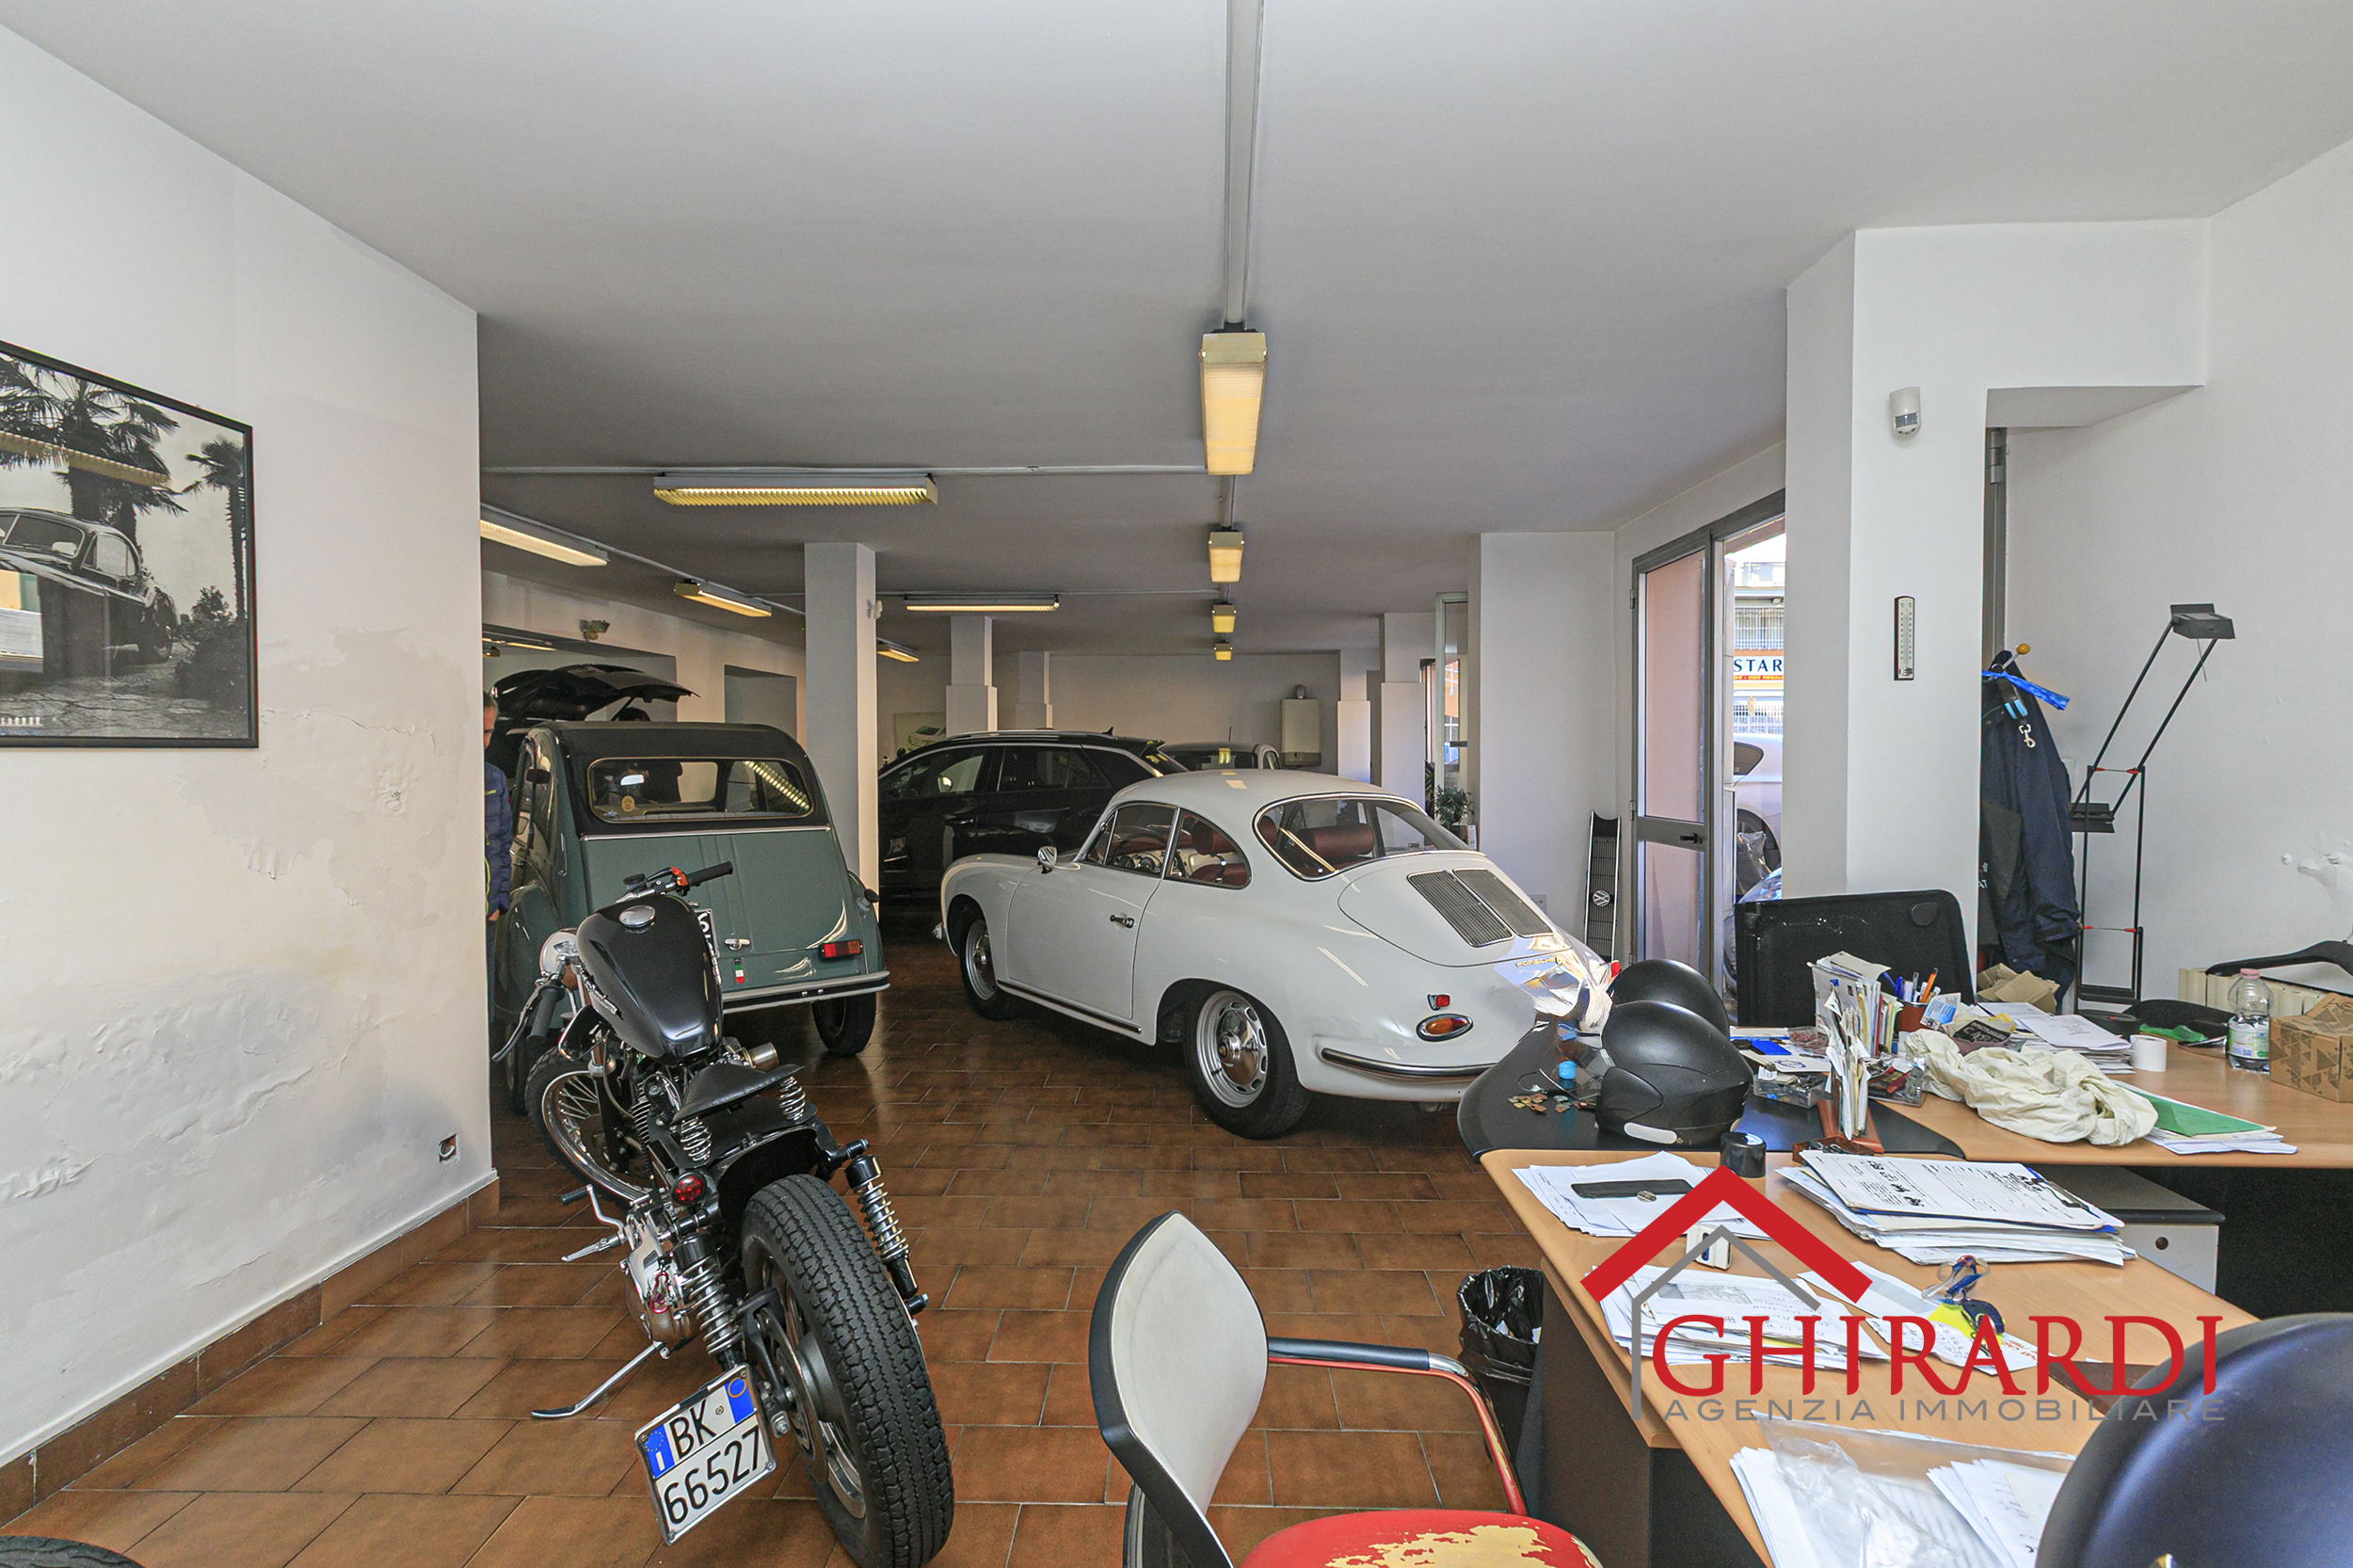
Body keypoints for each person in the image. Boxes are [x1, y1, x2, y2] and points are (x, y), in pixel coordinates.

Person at [485, 694, 513, 1007]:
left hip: (487, 912)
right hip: (451, 914)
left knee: (485, 998)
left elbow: (504, 843)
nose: (484, 741)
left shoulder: (495, 778)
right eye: (479, 732)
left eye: (489, 732)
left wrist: (500, 902)